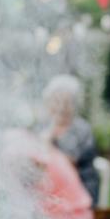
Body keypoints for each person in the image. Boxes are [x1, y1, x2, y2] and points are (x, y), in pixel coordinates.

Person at [41, 74, 100, 204]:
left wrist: (48, 144)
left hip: (81, 189)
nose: (61, 106)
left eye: (66, 101)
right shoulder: (45, 128)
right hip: (56, 189)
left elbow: (69, 164)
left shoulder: (81, 129)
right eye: (56, 100)